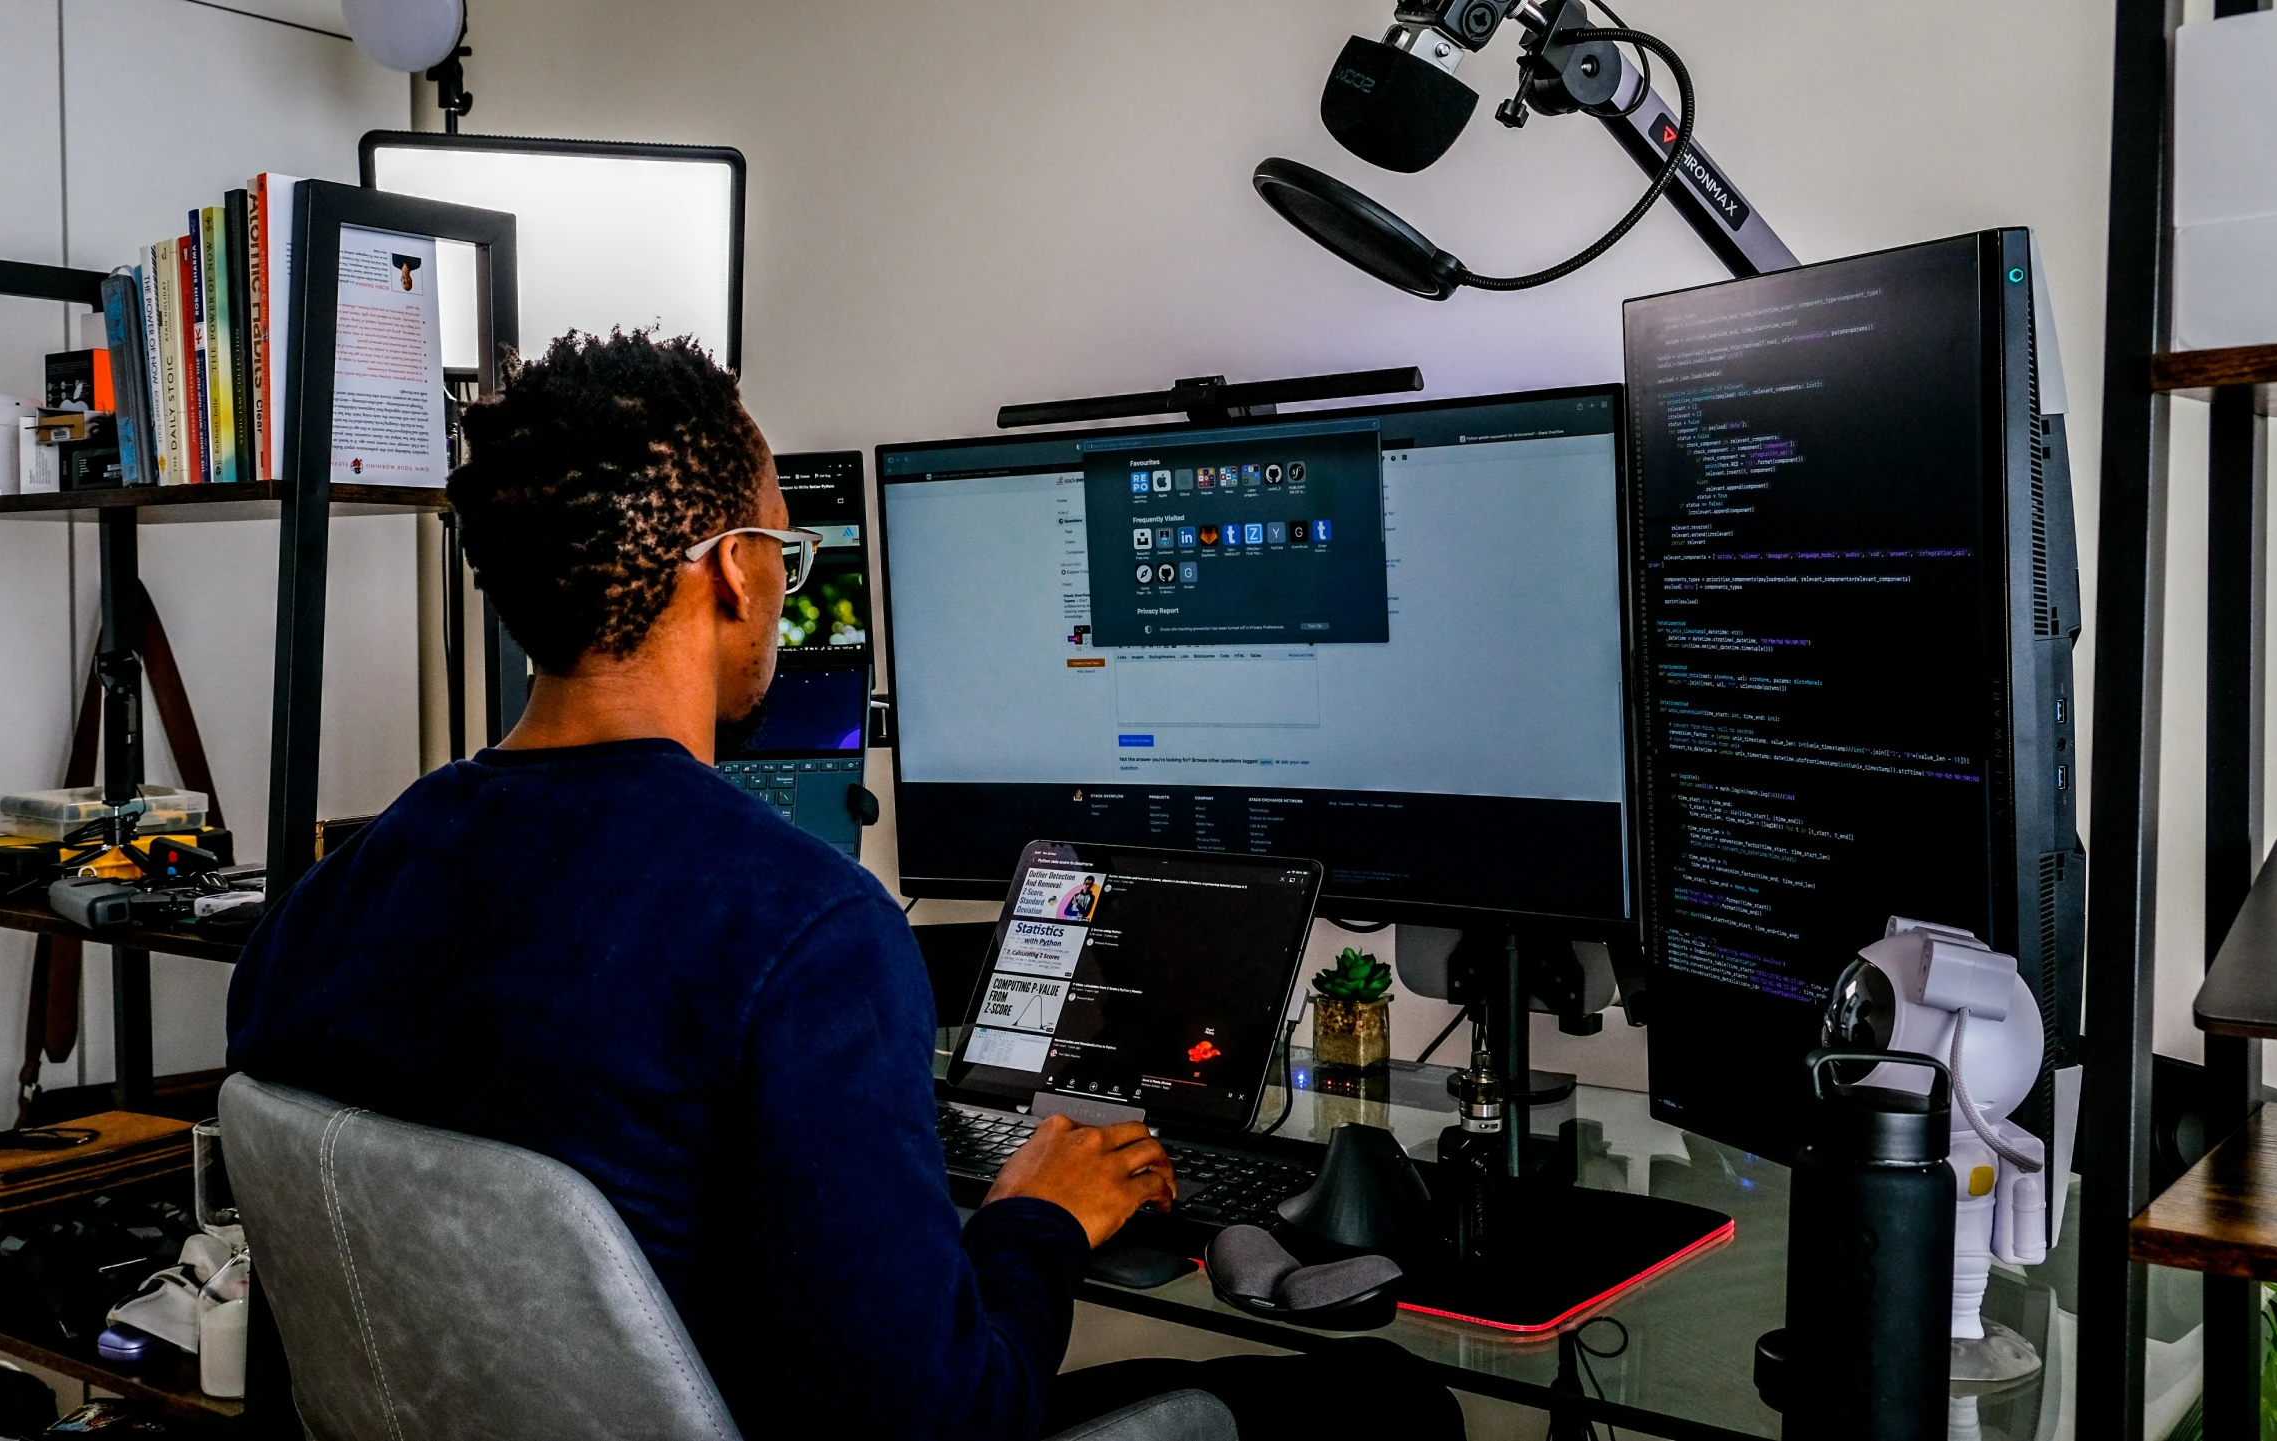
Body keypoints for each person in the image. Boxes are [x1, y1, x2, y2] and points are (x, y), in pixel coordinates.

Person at [227, 332, 1463, 1441]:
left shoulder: (327, 907)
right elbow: (942, 1422)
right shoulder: (804, 928)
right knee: (1384, 1406)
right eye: (781, 546)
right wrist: (1038, 1219)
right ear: (728, 573)